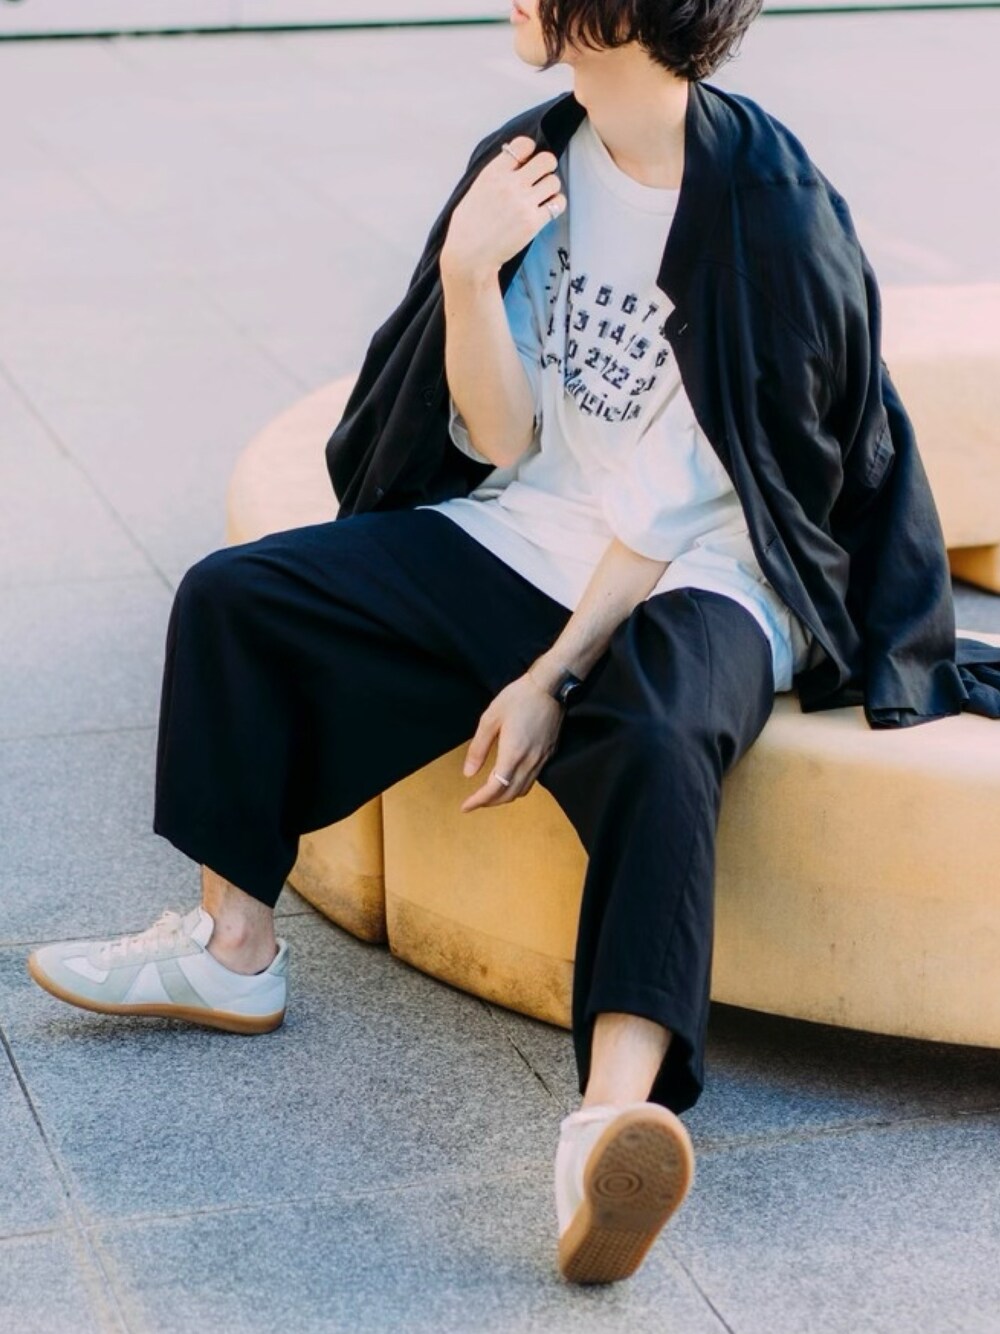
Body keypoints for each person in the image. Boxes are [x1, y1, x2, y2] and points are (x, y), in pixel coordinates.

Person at [24, 0, 998, 1288]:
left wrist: (549, 677)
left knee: (656, 730)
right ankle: (233, 950)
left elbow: (686, 507)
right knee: (237, 598)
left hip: (706, 574)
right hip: (534, 532)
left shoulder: (766, 208)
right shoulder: (535, 161)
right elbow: (497, 439)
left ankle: (612, 1121)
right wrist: (467, 273)